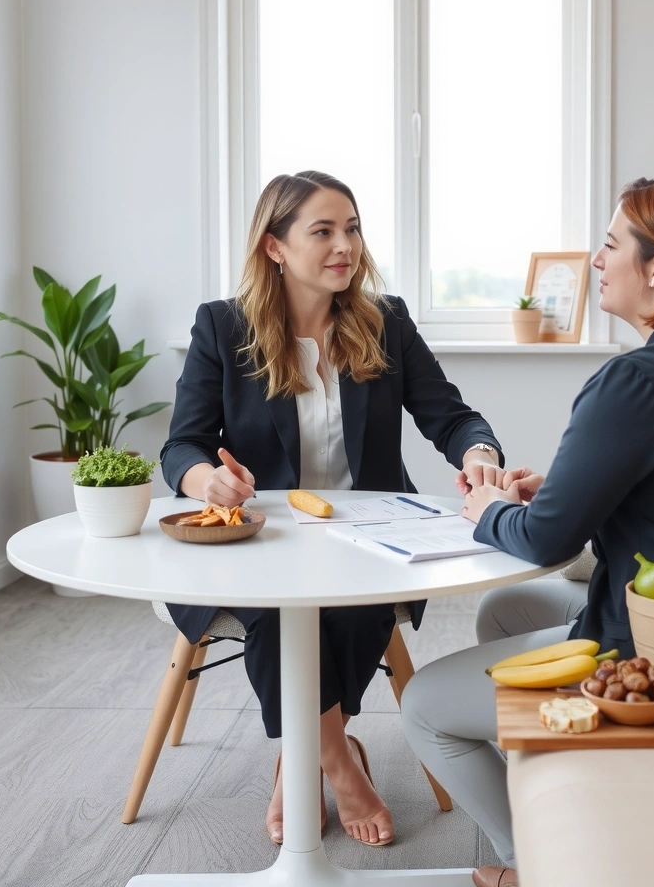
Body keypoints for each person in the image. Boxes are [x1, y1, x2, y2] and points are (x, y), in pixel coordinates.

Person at [400, 178, 654, 887]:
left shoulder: (632, 380)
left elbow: (547, 542)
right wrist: (566, 487)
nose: (598, 261)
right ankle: (559, 785)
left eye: (610, 245)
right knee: (504, 609)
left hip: (652, 653)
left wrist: (486, 511)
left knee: (422, 707)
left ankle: (532, 865)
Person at [161, 170, 503, 848]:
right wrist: (207, 482)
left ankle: (300, 759)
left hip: (366, 534)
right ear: (275, 246)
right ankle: (338, 762)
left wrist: (479, 455)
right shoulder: (223, 326)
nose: (345, 245)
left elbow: (451, 417)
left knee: (355, 605)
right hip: (259, 541)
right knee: (276, 611)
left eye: (352, 228)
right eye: (322, 231)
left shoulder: (386, 321)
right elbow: (182, 448)